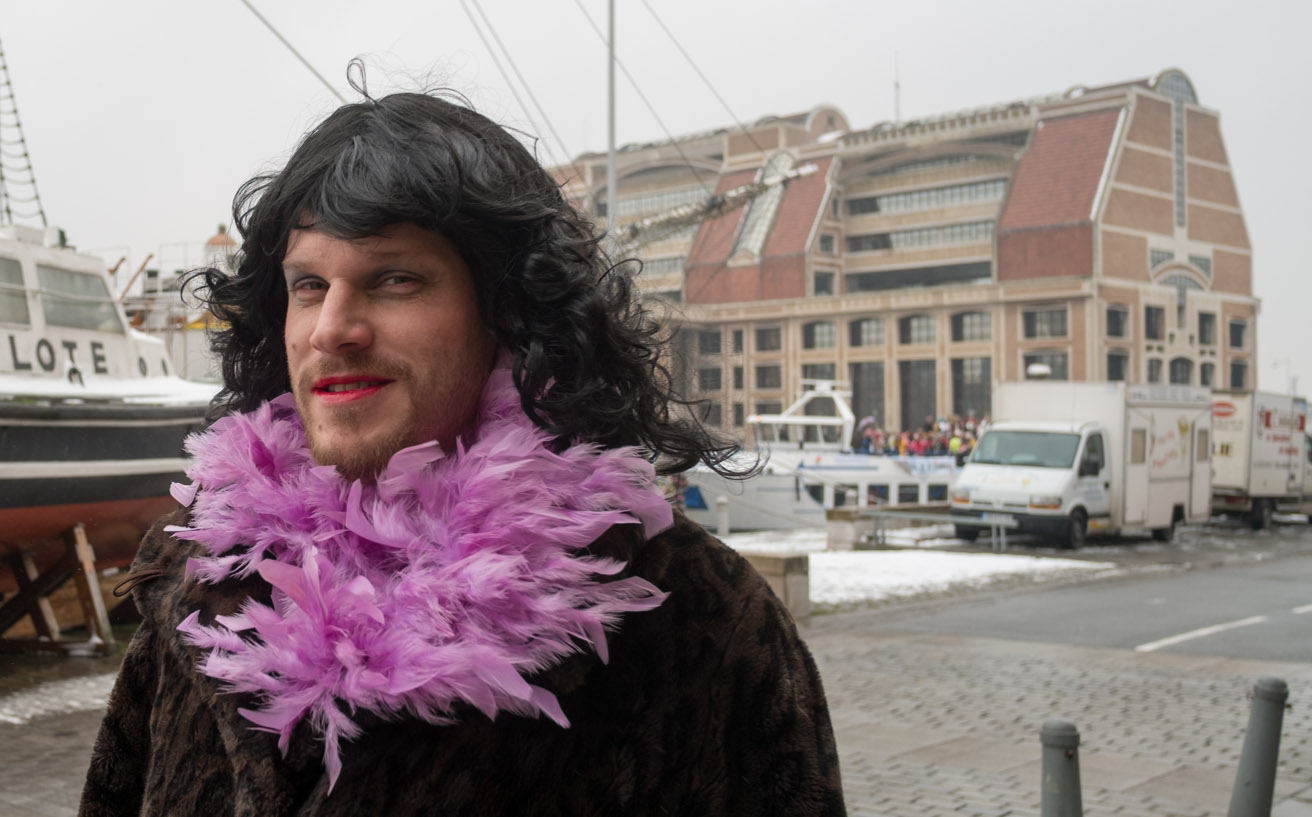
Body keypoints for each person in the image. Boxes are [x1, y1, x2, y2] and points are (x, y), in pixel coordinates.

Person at [80, 89, 844, 816]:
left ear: (510, 313)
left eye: (394, 278)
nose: (331, 328)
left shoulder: (701, 621)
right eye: (309, 285)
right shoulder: (201, 582)